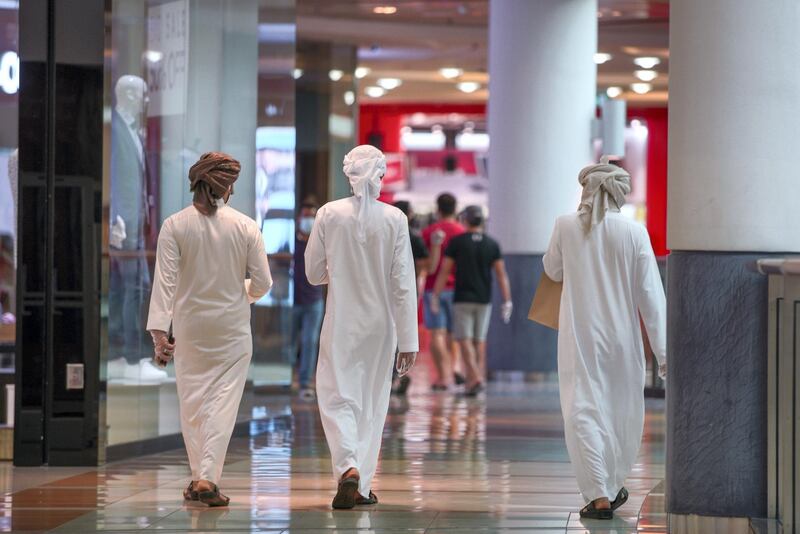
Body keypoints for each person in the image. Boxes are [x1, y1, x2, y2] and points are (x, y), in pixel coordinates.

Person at [542, 157, 666, 520]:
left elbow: (552, 268)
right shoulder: (634, 232)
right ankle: (611, 484)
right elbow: (651, 298)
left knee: (582, 409)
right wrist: (663, 354)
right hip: (622, 340)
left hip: (579, 336)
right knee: (621, 410)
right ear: (619, 193)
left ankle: (598, 492)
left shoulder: (566, 225)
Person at [147, 152, 272, 507]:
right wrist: (238, 297)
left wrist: (160, 333)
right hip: (232, 329)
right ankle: (206, 478)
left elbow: (165, 284)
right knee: (222, 404)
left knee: (193, 404)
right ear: (226, 185)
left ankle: (199, 476)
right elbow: (262, 283)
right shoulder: (246, 226)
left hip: (190, 328)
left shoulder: (174, 225)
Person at [305, 144, 418, 509]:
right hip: (382, 327)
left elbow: (312, 273)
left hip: (341, 322)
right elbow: (403, 283)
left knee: (336, 396)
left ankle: (348, 467)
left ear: (348, 174)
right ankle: (364, 486)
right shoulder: (395, 219)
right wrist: (408, 340)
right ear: (381, 175)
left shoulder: (328, 213)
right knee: (372, 402)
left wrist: (337, 270)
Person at [432, 206, 512, 397]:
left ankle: (475, 377)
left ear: (465, 221)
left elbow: (445, 270)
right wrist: (507, 300)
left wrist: (436, 294)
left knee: (464, 339)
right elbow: (501, 275)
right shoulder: (492, 244)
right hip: (484, 299)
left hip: (463, 298)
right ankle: (470, 382)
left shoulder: (457, 242)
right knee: (478, 341)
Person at [422, 193, 465, 390]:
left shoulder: (429, 231)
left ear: (437, 209)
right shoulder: (461, 231)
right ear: (455, 208)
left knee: (437, 334)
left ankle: (442, 377)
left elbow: (423, 262)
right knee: (453, 334)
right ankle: (454, 368)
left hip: (433, 289)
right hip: (456, 288)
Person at [391, 200, 429, 395]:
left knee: (390, 330)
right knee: (402, 328)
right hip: (407, 287)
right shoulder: (413, 235)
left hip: (386, 288)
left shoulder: (387, 231)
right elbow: (424, 263)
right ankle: (398, 374)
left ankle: (392, 375)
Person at [292, 197, 325, 401]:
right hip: (292, 301)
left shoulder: (321, 241)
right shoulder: (290, 240)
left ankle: (305, 382)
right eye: (306, 216)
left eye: (312, 217)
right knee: (289, 341)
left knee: (310, 340)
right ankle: (286, 379)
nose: (309, 220)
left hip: (314, 300)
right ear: (298, 218)